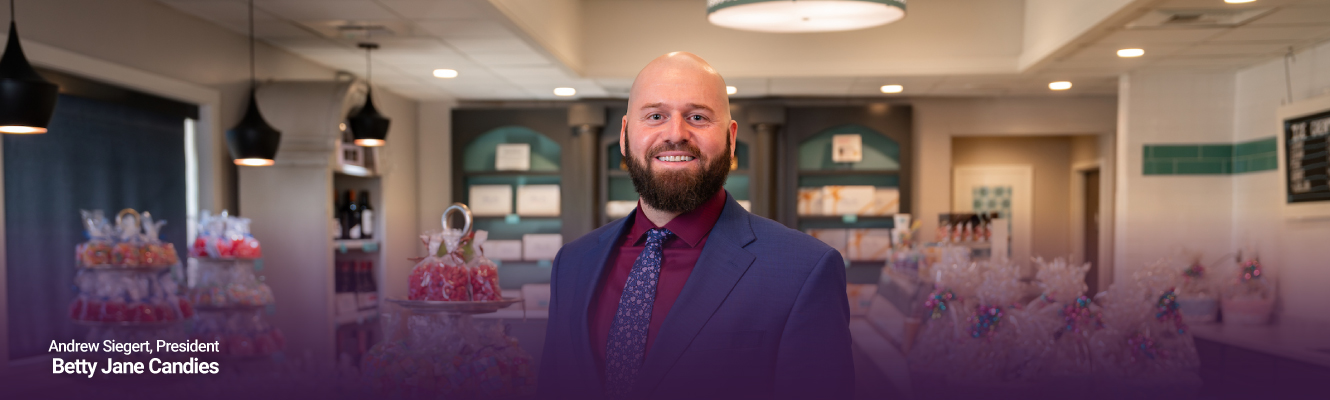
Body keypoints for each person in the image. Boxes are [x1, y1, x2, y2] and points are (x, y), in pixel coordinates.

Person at [537, 52, 854, 400]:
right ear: (626, 135)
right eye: (656, 116)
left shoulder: (804, 270)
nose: (676, 134)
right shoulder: (572, 263)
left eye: (698, 117)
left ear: (731, 138)